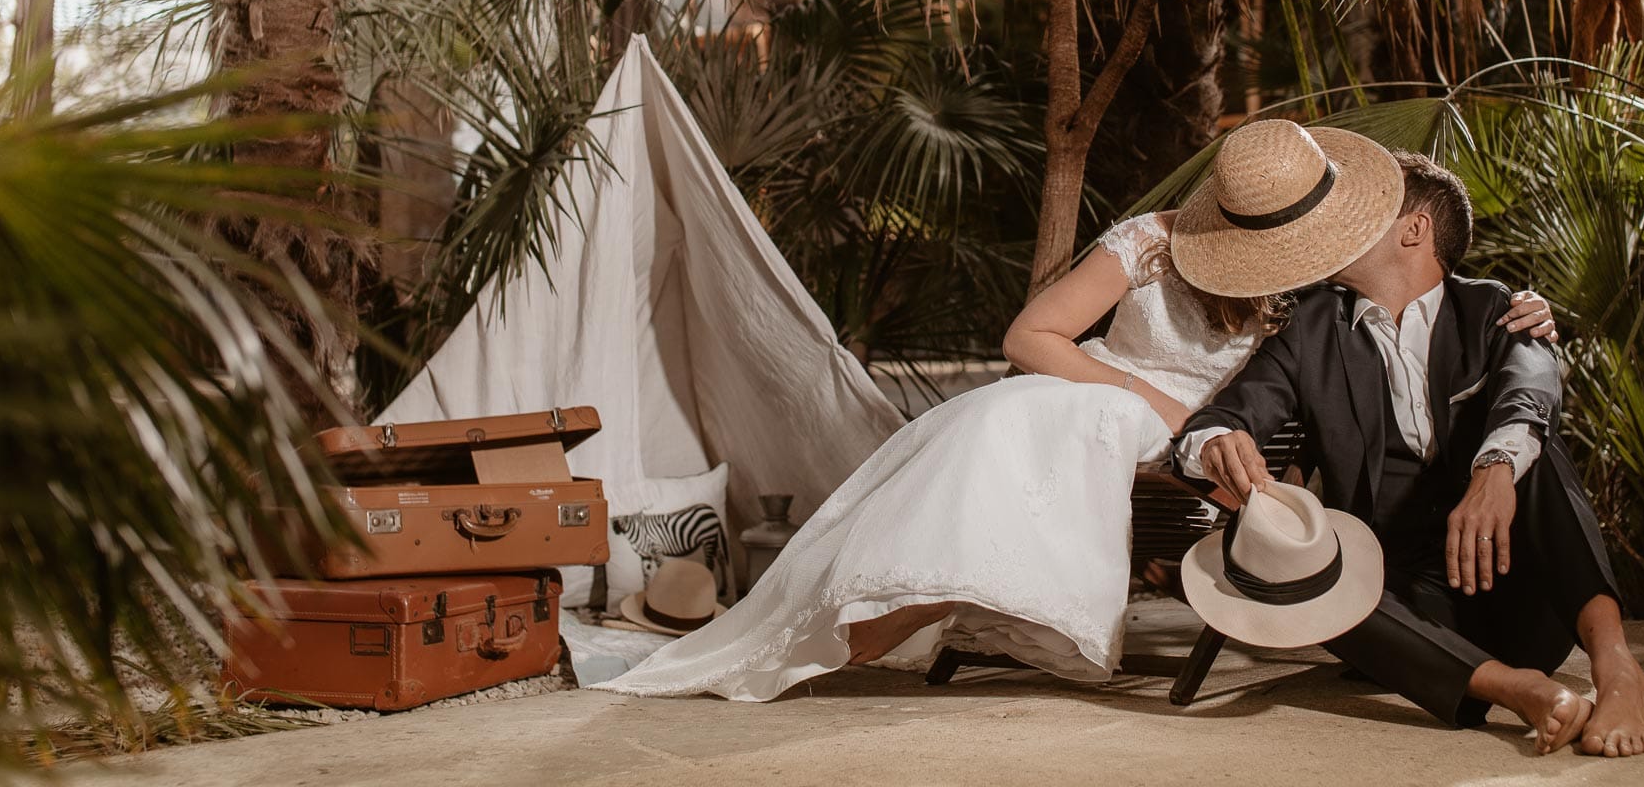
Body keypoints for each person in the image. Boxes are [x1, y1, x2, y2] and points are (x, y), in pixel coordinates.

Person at [601, 122, 1557, 701]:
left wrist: (1534, 312)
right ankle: (832, 619)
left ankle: (868, 624)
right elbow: (1032, 337)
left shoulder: (1318, 291)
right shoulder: (1151, 242)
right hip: (1102, 395)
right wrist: (1152, 396)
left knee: (1052, 424)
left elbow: (1427, 313)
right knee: (1010, 417)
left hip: (1198, 438)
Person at [1179, 151, 1644, 757]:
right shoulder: (1311, 328)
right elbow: (1226, 413)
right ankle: (1515, 690)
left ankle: (1616, 669)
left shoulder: (1493, 309)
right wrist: (1217, 439)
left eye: (1367, 210)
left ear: (1414, 228)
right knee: (1300, 568)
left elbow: (1532, 385)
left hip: (1520, 588)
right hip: (1402, 602)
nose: (1337, 225)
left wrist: (1495, 469)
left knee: (1535, 450)